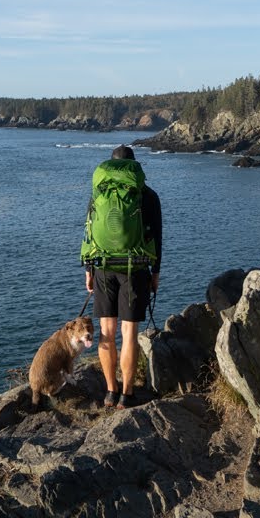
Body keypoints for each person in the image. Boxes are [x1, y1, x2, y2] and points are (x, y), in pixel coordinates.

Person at [81, 145, 162, 408]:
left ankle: (109, 391)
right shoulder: (147, 195)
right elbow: (156, 238)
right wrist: (155, 273)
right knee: (129, 333)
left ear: (110, 165)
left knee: (106, 332)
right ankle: (127, 395)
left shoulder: (98, 194)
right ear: (134, 166)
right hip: (136, 268)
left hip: (103, 267)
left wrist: (89, 271)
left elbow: (89, 233)